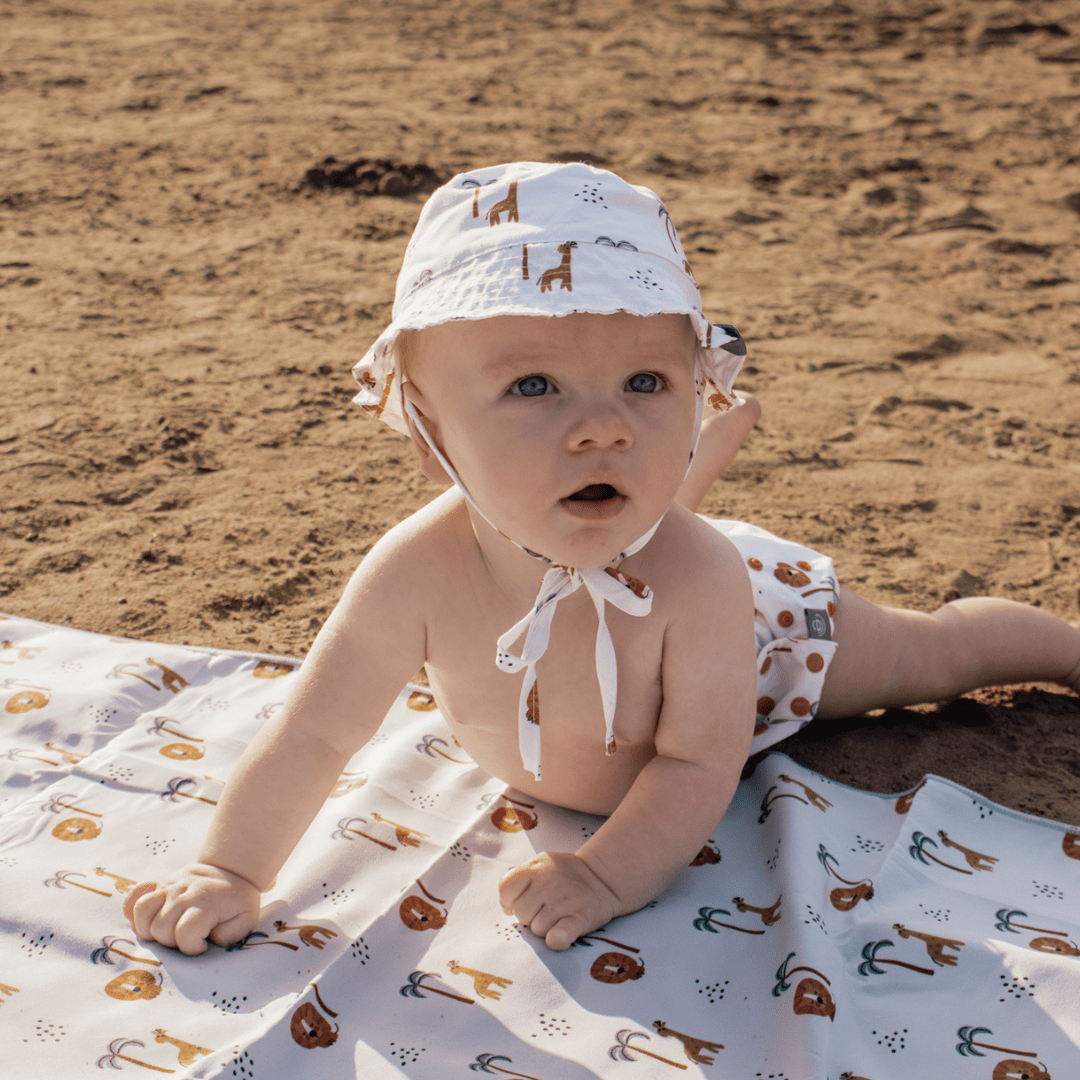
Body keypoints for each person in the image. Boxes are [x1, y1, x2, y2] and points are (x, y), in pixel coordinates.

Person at [124, 161, 1080, 956]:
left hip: (778, 640)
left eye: (647, 382)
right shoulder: (414, 569)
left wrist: (604, 873)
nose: (602, 428)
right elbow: (314, 737)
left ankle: (1062, 643)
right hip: (641, 559)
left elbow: (696, 759)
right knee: (633, 517)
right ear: (427, 428)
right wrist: (230, 870)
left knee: (934, 652)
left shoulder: (706, 578)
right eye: (534, 385)